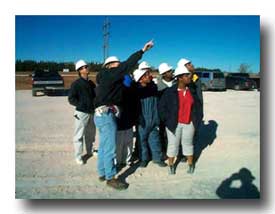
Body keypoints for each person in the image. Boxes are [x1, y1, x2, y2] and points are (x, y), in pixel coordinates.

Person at [93, 40, 154, 190]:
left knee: (103, 146)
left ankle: (102, 172)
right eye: (117, 64)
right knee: (109, 148)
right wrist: (142, 50)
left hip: (100, 115)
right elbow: (128, 64)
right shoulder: (110, 74)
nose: (119, 66)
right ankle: (111, 177)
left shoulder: (108, 80)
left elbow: (125, 91)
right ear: (109, 66)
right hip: (106, 115)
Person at [159, 66, 201, 174]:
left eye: (189, 75)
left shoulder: (192, 90)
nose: (189, 77)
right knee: (173, 145)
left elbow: (198, 106)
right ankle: (171, 165)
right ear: (180, 78)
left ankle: (191, 164)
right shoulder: (169, 92)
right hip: (174, 124)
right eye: (186, 75)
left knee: (188, 144)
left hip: (189, 123)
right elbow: (161, 108)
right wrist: (167, 120)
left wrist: (196, 119)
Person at [133, 66, 167, 168]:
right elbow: (135, 108)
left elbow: (156, 105)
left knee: (155, 140)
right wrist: (139, 118)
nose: (150, 76)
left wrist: (157, 118)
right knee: (142, 141)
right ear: (141, 78)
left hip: (153, 119)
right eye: (146, 75)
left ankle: (157, 158)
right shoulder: (136, 91)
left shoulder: (152, 87)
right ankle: (143, 159)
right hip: (142, 121)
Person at [68, 60, 96, 165]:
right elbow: (71, 99)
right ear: (79, 71)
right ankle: (78, 156)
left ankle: (90, 151)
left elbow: (95, 96)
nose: (87, 68)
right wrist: (82, 105)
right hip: (81, 113)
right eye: (84, 67)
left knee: (91, 134)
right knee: (78, 135)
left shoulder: (91, 83)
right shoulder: (76, 84)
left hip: (92, 113)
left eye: (86, 66)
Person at [177, 58, 204, 162]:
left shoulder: (195, 77)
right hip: (188, 111)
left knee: (193, 134)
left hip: (197, 109)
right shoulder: (184, 80)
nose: (192, 65)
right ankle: (183, 154)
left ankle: (189, 154)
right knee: (184, 134)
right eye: (189, 64)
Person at [116, 74, 139, 169]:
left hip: (126, 121)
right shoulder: (120, 89)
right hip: (122, 121)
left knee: (125, 143)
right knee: (124, 143)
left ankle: (124, 160)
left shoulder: (131, 89)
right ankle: (121, 161)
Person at [156, 62, 176, 160]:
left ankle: (176, 151)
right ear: (164, 74)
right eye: (169, 71)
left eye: (171, 70)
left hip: (175, 114)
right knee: (162, 134)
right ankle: (164, 151)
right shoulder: (158, 86)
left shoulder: (176, 83)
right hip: (163, 115)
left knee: (175, 133)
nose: (171, 72)